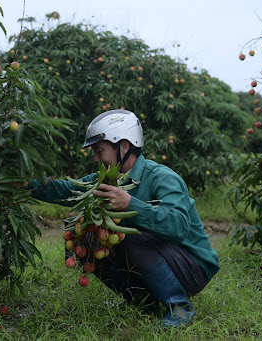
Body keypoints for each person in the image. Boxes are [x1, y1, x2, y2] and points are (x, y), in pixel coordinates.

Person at [26, 109, 219, 328]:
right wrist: (26, 186)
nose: (97, 158)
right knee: (88, 239)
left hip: (192, 266)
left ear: (124, 146)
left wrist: (130, 204)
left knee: (130, 239)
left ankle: (180, 307)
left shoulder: (163, 178)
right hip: (160, 258)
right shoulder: (108, 179)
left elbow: (178, 226)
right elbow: (69, 190)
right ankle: (141, 302)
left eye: (100, 151)